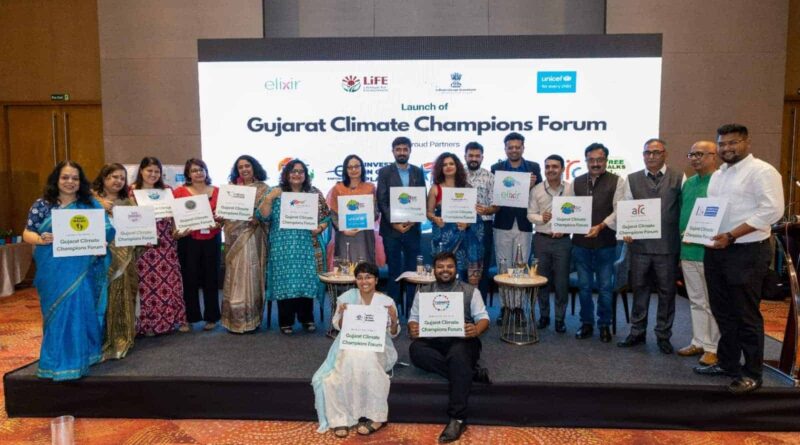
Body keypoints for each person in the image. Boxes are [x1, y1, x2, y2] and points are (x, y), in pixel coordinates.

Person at [694, 124, 784, 394]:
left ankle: (752, 373)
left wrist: (732, 236)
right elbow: (714, 211)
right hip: (716, 250)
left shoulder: (762, 171)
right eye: (722, 144)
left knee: (746, 314)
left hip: (746, 251)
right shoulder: (718, 175)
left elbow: (772, 211)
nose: (727, 148)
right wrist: (700, 230)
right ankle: (727, 363)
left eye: (733, 143)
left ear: (747, 142)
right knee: (722, 311)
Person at [22, 161, 114, 380]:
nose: (70, 182)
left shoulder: (90, 205)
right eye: (65, 177)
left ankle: (82, 358)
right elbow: (27, 233)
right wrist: (41, 239)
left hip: (83, 269)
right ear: (56, 179)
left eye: (75, 178)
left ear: (81, 182)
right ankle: (55, 363)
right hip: (53, 270)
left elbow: (108, 230)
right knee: (57, 314)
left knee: (82, 311)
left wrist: (101, 242)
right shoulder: (43, 205)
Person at [408, 252, 490, 443]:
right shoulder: (423, 292)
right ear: (434, 270)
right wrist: (413, 327)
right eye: (440, 267)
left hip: (462, 339)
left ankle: (458, 418)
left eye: (449, 266)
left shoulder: (470, 291)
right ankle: (470, 373)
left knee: (458, 356)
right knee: (416, 351)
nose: (445, 270)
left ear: (456, 269)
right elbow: (413, 318)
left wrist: (476, 329)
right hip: (433, 339)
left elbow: (483, 318)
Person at [312, 261, 400, 438]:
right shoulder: (347, 298)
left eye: (368, 277)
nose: (364, 281)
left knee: (367, 359)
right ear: (355, 281)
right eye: (360, 278)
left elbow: (393, 334)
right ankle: (341, 417)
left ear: (376, 280)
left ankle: (377, 417)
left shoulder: (386, 301)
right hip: (350, 342)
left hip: (378, 345)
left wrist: (393, 319)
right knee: (346, 362)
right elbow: (338, 326)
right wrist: (343, 314)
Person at [617, 139, 682, 354]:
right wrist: (626, 229)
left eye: (656, 152)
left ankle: (663, 335)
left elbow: (684, 208)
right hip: (640, 246)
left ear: (665, 154)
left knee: (667, 293)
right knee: (639, 290)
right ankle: (637, 332)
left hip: (667, 247)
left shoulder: (679, 177)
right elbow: (626, 207)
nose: (651, 156)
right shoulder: (632, 178)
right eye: (647, 153)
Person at [260, 159, 331, 334]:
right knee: (284, 283)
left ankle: (307, 318)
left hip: (307, 245)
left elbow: (326, 217)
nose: (297, 174)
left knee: (305, 281)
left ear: (305, 175)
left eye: (300, 171)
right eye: (293, 171)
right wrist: (269, 198)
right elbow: (263, 217)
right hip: (282, 246)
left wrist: (319, 228)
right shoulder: (275, 192)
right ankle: (286, 321)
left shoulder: (313, 193)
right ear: (286, 174)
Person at [572, 143, 625, 343]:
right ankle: (586, 323)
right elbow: (568, 209)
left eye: (599, 160)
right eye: (591, 160)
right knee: (584, 287)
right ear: (586, 161)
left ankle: (604, 325)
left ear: (606, 160)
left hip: (606, 243)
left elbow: (619, 210)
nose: (595, 164)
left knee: (605, 287)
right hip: (581, 244)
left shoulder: (617, 181)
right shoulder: (576, 182)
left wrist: (601, 226)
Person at [129, 156, 188, 336]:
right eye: (149, 170)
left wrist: (177, 230)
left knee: (169, 281)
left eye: (157, 171)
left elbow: (175, 216)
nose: (153, 174)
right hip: (144, 244)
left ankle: (170, 320)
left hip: (166, 242)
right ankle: (148, 325)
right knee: (146, 283)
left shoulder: (167, 190)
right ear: (141, 171)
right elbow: (130, 216)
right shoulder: (132, 191)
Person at [490, 132, 541, 325]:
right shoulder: (496, 168)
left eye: (517, 147)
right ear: (505, 149)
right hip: (502, 223)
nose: (513, 150)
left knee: (520, 266)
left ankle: (518, 308)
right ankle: (505, 307)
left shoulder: (534, 168)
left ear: (523, 148)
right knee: (504, 266)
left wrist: (531, 186)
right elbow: (494, 195)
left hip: (524, 223)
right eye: (510, 147)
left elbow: (538, 196)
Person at [677, 141, 720, 366]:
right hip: (687, 251)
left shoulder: (721, 181)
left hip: (710, 252)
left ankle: (713, 348)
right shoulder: (689, 183)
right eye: (692, 154)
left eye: (700, 154)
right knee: (695, 301)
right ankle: (699, 341)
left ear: (714, 155)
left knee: (712, 302)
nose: (695, 158)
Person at [92, 163, 138, 360]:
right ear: (104, 178)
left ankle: (120, 337)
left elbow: (137, 228)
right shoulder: (90, 201)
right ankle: (97, 340)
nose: (118, 181)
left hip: (124, 258)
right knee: (100, 297)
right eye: (113, 176)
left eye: (122, 178)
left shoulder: (128, 202)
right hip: (98, 259)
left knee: (121, 296)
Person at [220, 155, 270, 334]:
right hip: (234, 237)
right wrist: (222, 216)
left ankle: (251, 319)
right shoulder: (231, 190)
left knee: (251, 271)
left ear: (254, 167)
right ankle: (234, 319)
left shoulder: (264, 189)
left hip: (253, 235)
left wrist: (258, 218)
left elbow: (269, 215)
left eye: (247, 166)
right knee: (234, 274)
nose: (244, 169)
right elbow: (225, 216)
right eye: (240, 167)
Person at [376, 136, 426, 308]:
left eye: (405, 149)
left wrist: (412, 222)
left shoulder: (418, 172)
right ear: (393, 151)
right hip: (391, 230)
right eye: (398, 149)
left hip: (412, 229)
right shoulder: (384, 172)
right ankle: (393, 309)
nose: (402, 152)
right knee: (394, 271)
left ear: (410, 151)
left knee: (413, 271)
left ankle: (413, 308)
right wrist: (394, 223)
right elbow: (382, 200)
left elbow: (421, 198)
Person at [527, 154, 573, 333]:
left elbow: (578, 213)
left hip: (563, 242)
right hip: (541, 240)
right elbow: (530, 214)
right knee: (541, 281)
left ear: (562, 169)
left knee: (562, 283)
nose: (550, 170)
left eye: (555, 166)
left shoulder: (571, 189)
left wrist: (567, 228)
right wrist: (541, 218)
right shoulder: (536, 189)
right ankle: (544, 316)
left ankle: (560, 319)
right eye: (547, 167)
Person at [174, 158, 221, 331]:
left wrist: (220, 223)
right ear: (188, 174)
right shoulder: (179, 192)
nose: (198, 173)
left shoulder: (218, 191)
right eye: (194, 170)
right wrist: (177, 231)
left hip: (212, 239)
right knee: (189, 278)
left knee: (211, 278)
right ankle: (190, 317)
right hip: (189, 240)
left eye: (201, 169)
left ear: (206, 172)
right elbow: (174, 216)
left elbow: (223, 216)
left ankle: (212, 317)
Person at [426, 152, 483, 284]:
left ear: (457, 166)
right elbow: (428, 213)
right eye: (444, 164)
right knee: (444, 269)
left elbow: (474, 213)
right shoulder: (435, 188)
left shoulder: (467, 188)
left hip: (465, 237)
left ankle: (466, 296)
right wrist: (435, 219)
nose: (448, 167)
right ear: (440, 168)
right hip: (443, 236)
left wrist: (467, 224)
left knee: (463, 272)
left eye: (451, 164)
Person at [327, 155, 377, 264]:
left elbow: (376, 213)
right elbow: (333, 214)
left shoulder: (370, 188)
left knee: (365, 266)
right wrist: (343, 229)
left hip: (364, 235)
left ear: (362, 168)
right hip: (344, 234)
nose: (353, 170)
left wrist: (368, 217)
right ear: (345, 170)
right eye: (350, 167)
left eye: (356, 166)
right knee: (345, 265)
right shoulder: (338, 189)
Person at [464, 142, 496, 297]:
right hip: (461, 226)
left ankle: (480, 304)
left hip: (484, 225)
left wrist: (487, 209)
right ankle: (461, 304)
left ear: (482, 157)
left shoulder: (490, 177)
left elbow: (496, 205)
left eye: (477, 156)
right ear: (465, 156)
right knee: (462, 265)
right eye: (470, 155)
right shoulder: (457, 175)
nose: (474, 159)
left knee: (482, 265)